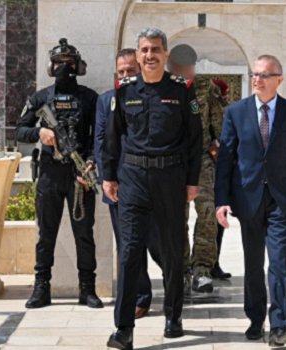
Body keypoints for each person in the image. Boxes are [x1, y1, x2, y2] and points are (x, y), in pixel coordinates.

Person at [104, 27, 203, 349]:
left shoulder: (182, 90)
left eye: (156, 50)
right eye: (144, 50)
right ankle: (123, 329)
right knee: (130, 252)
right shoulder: (124, 89)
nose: (150, 56)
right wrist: (109, 176)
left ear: (165, 54)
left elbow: (194, 139)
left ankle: (173, 316)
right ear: (138, 53)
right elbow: (112, 136)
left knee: (173, 252)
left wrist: (192, 181)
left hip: (170, 179)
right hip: (132, 178)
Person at [215, 54, 286, 347]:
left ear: (278, 80)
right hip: (247, 199)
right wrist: (221, 200)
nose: (257, 79)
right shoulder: (236, 112)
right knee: (254, 262)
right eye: (255, 74)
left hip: (282, 201)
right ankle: (256, 319)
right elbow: (225, 160)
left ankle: (280, 326)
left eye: (264, 75)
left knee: (280, 263)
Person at [16, 38, 102, 310]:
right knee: (46, 234)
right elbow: (20, 130)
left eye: (69, 63)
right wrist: (40, 132)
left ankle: (87, 288)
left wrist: (90, 161)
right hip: (50, 174)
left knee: (84, 234)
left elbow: (98, 137)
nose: (64, 67)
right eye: (59, 63)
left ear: (78, 66)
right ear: (51, 67)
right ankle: (42, 287)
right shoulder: (40, 98)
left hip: (79, 174)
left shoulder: (90, 98)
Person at [94, 48, 162, 320]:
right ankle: (140, 297)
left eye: (129, 71)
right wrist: (107, 178)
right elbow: (100, 141)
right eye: (120, 72)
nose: (125, 76)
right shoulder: (106, 101)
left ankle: (176, 279)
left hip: (151, 184)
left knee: (158, 244)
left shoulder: (153, 97)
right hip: (119, 186)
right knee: (128, 245)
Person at [166, 44, 225, 296]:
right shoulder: (162, 88)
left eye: (186, 69)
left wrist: (218, 145)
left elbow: (219, 125)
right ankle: (180, 270)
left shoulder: (206, 89)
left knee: (207, 214)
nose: (183, 73)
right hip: (171, 162)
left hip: (201, 161)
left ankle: (202, 269)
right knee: (176, 219)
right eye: (178, 69)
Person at [210, 78, 232, 280]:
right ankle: (203, 264)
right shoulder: (208, 107)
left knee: (218, 221)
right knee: (209, 220)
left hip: (223, 170)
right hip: (208, 168)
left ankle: (213, 263)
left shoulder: (227, 110)